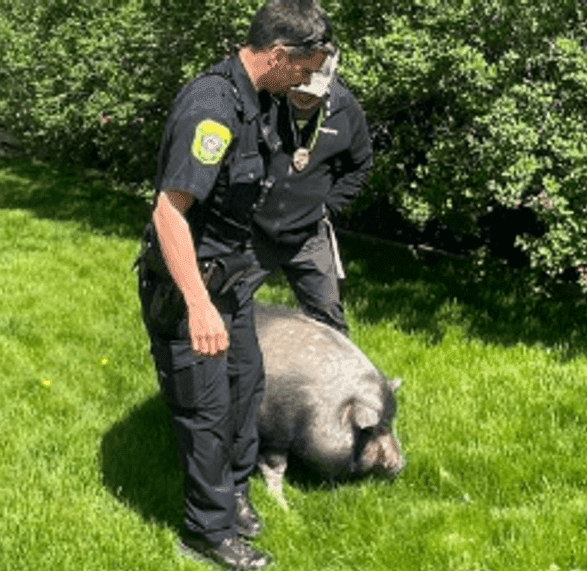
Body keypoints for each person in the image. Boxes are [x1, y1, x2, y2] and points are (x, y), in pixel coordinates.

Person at [135, 2, 334, 569]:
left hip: (232, 281)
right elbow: (169, 213)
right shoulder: (213, 108)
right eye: (302, 68)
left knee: (246, 388)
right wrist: (198, 307)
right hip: (188, 287)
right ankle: (207, 531)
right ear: (277, 55)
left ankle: (235, 494)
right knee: (205, 409)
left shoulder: (260, 99)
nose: (305, 79)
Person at [246, 50, 373, 336]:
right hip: (256, 232)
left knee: (332, 324)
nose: (303, 97)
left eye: (312, 93)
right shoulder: (267, 99)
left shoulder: (347, 110)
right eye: (299, 90)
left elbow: (361, 164)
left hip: (309, 237)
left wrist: (329, 206)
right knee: (221, 305)